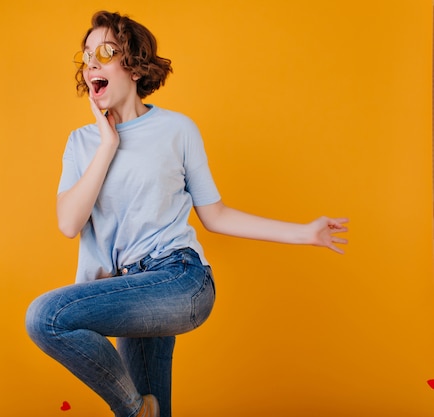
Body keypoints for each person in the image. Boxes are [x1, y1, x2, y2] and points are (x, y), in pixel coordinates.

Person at [25, 10, 348, 417]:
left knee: (46, 317)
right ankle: (141, 408)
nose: (90, 63)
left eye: (105, 51)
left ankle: (132, 408)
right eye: (85, 55)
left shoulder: (177, 130)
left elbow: (216, 215)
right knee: (150, 407)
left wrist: (305, 233)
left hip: (180, 279)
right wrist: (107, 144)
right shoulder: (82, 142)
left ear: (135, 66)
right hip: (129, 288)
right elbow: (69, 223)